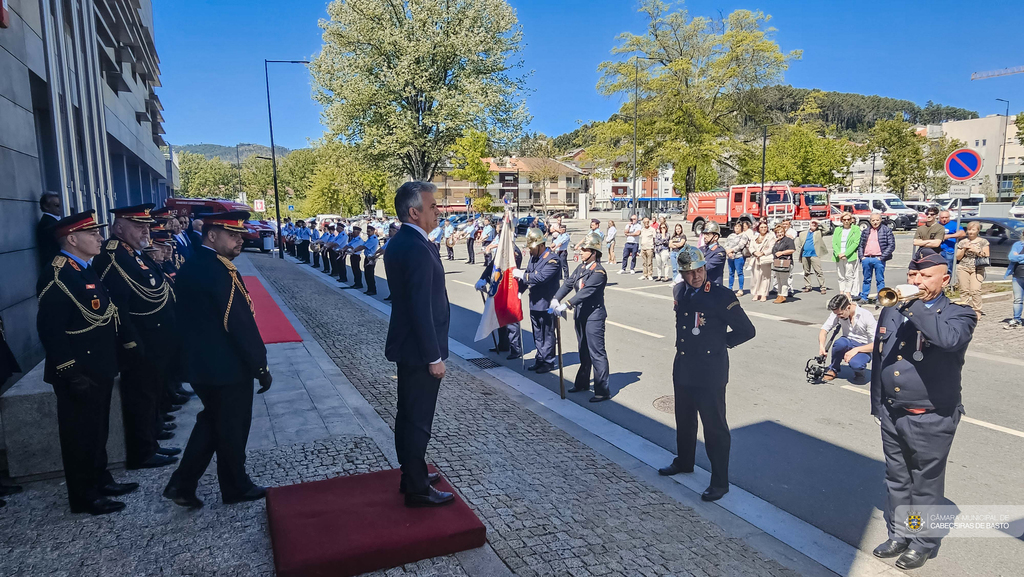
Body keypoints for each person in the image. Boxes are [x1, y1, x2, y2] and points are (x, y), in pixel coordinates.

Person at [870, 251, 976, 570]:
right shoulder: (892, 311)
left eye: (925, 276)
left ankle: (922, 542)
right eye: (913, 275)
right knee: (897, 479)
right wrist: (878, 404)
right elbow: (881, 357)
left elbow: (947, 339)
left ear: (944, 280)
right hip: (893, 412)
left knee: (925, 483)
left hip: (930, 415)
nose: (916, 281)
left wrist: (913, 303)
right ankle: (900, 534)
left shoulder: (960, 314)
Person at [163, 211, 272, 509]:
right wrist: (259, 365)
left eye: (241, 236)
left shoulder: (199, 263)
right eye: (232, 235)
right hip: (225, 366)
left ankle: (183, 482)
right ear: (212, 235)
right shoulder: (216, 271)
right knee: (233, 426)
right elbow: (238, 323)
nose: (239, 241)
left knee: (213, 422)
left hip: (204, 363)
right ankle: (235, 485)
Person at [36, 211, 141, 515]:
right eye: (92, 234)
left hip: (100, 365)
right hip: (79, 369)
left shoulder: (83, 268)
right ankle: (83, 495)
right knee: (79, 435)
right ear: (72, 239)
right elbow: (51, 329)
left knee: (97, 430)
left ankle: (100, 478)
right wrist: (69, 371)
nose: (99, 238)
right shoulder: (58, 274)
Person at [658, 245, 755, 502]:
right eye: (690, 272)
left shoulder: (721, 296)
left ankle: (720, 482)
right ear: (682, 273)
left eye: (700, 270)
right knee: (684, 420)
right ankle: (684, 461)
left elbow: (747, 330)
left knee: (714, 428)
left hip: (710, 371)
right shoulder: (679, 290)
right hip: (684, 366)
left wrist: (719, 342)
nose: (696, 276)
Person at [384, 182, 454, 508]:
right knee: (418, 420)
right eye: (432, 206)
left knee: (408, 415)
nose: (438, 210)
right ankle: (416, 487)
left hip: (410, 347)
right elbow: (420, 308)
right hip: (419, 350)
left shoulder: (406, 242)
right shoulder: (414, 247)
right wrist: (434, 357)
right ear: (414, 212)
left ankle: (411, 473)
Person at [93, 204, 179, 470]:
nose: (145, 231)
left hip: (156, 336)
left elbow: (156, 285)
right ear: (118, 228)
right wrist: (130, 340)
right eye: (138, 226)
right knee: (140, 395)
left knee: (151, 392)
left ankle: (152, 438)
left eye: (146, 226)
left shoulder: (134, 253)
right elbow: (118, 303)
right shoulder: (112, 255)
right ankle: (142, 451)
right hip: (140, 338)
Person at [550, 232, 610, 402]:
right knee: (583, 350)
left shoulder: (599, 272)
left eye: (584, 250)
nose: (581, 252)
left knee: (596, 352)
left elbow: (586, 291)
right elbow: (569, 283)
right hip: (580, 315)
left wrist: (567, 304)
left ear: (594, 252)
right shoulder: (581, 267)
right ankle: (582, 382)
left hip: (594, 316)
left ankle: (602, 389)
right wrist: (556, 298)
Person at [513, 228, 562, 373]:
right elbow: (529, 275)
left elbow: (541, 278)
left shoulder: (552, 259)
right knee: (537, 333)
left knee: (547, 333)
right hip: (534, 302)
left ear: (541, 245)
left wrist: (522, 275)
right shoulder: (533, 258)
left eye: (532, 248)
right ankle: (540, 358)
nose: (530, 251)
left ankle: (548, 361)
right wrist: (518, 291)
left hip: (546, 302)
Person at [819, 294, 876, 382]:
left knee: (857, 364)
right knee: (839, 344)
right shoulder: (838, 312)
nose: (838, 316)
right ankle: (833, 368)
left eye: (840, 314)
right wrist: (822, 347)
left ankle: (859, 371)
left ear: (848, 307)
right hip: (847, 341)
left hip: (864, 346)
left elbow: (876, 344)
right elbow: (824, 330)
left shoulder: (866, 316)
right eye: (836, 314)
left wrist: (856, 350)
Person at [954, 221, 989, 318]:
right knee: (964, 290)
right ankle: (964, 309)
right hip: (963, 267)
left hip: (977, 269)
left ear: (978, 230)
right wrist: (964, 249)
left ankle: (977, 310)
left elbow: (986, 255)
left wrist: (976, 250)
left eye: (973, 230)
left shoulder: (983, 242)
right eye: (969, 229)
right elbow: (958, 257)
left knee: (975, 290)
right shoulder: (963, 242)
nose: (970, 232)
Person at [858, 214, 895, 303]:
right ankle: (864, 297)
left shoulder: (886, 230)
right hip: (867, 258)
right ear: (870, 221)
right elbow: (861, 245)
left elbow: (891, 245)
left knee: (880, 279)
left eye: (877, 220)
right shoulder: (866, 231)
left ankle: (880, 297)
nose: (875, 222)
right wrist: (861, 257)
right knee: (866, 279)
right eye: (873, 220)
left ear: (880, 220)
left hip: (879, 259)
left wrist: (882, 257)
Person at [833, 212, 862, 300]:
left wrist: (846, 254)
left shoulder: (856, 229)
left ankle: (848, 292)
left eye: (848, 219)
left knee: (849, 275)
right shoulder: (837, 229)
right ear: (841, 220)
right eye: (844, 220)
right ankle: (841, 292)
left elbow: (855, 243)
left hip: (850, 256)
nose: (846, 221)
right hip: (839, 256)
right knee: (841, 275)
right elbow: (834, 243)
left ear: (851, 220)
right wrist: (838, 253)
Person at [795, 220, 828, 294]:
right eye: (812, 223)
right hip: (805, 255)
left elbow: (827, 229)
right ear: (809, 224)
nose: (813, 225)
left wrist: (819, 222)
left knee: (818, 271)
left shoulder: (819, 232)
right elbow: (800, 244)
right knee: (806, 272)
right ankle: (808, 286)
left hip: (814, 254)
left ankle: (823, 287)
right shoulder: (802, 233)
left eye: (815, 224)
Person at [36, 192, 63, 270]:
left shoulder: (54, 221)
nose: (60, 208)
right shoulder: (48, 223)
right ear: (46, 207)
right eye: (57, 205)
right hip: (55, 264)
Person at [770, 224, 796, 303]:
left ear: (784, 232)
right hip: (778, 263)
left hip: (785, 263)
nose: (779, 234)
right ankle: (779, 294)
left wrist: (782, 253)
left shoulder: (788, 240)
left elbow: (792, 250)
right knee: (779, 280)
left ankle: (783, 295)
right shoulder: (777, 241)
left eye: (781, 232)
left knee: (784, 280)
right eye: (778, 232)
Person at [749, 222, 774, 302]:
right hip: (755, 258)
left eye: (765, 227)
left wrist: (763, 253)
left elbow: (771, 248)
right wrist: (754, 252)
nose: (763, 229)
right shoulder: (754, 237)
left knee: (765, 277)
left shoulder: (770, 237)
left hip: (765, 259)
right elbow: (751, 246)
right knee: (755, 277)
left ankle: (764, 294)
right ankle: (756, 293)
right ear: (758, 228)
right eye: (762, 227)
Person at [721, 222, 747, 297]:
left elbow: (741, 245)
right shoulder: (730, 235)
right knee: (731, 273)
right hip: (730, 257)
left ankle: (740, 289)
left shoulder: (743, 235)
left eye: (738, 227)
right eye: (735, 227)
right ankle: (730, 288)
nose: (737, 228)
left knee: (739, 272)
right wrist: (728, 251)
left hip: (739, 256)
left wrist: (732, 250)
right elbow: (726, 244)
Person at [1006, 230, 1024, 329]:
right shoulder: (1017, 244)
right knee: (1018, 299)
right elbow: (1011, 257)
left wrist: (1019, 257)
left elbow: (1016, 257)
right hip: (1017, 275)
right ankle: (1017, 319)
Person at [937, 210, 965, 275]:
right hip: (937, 250)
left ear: (949, 217)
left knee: (948, 268)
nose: (944, 219)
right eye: (942, 217)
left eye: (946, 217)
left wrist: (948, 236)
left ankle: (948, 283)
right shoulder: (936, 225)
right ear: (939, 217)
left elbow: (962, 233)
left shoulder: (954, 225)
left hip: (949, 250)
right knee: (938, 268)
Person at [360, 225, 383, 296]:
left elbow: (364, 246)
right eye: (367, 231)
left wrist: (355, 250)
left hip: (371, 258)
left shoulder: (373, 239)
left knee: (370, 274)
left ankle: (372, 290)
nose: (368, 233)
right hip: (367, 257)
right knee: (367, 274)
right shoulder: (370, 238)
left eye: (369, 231)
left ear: (373, 231)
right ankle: (369, 289)